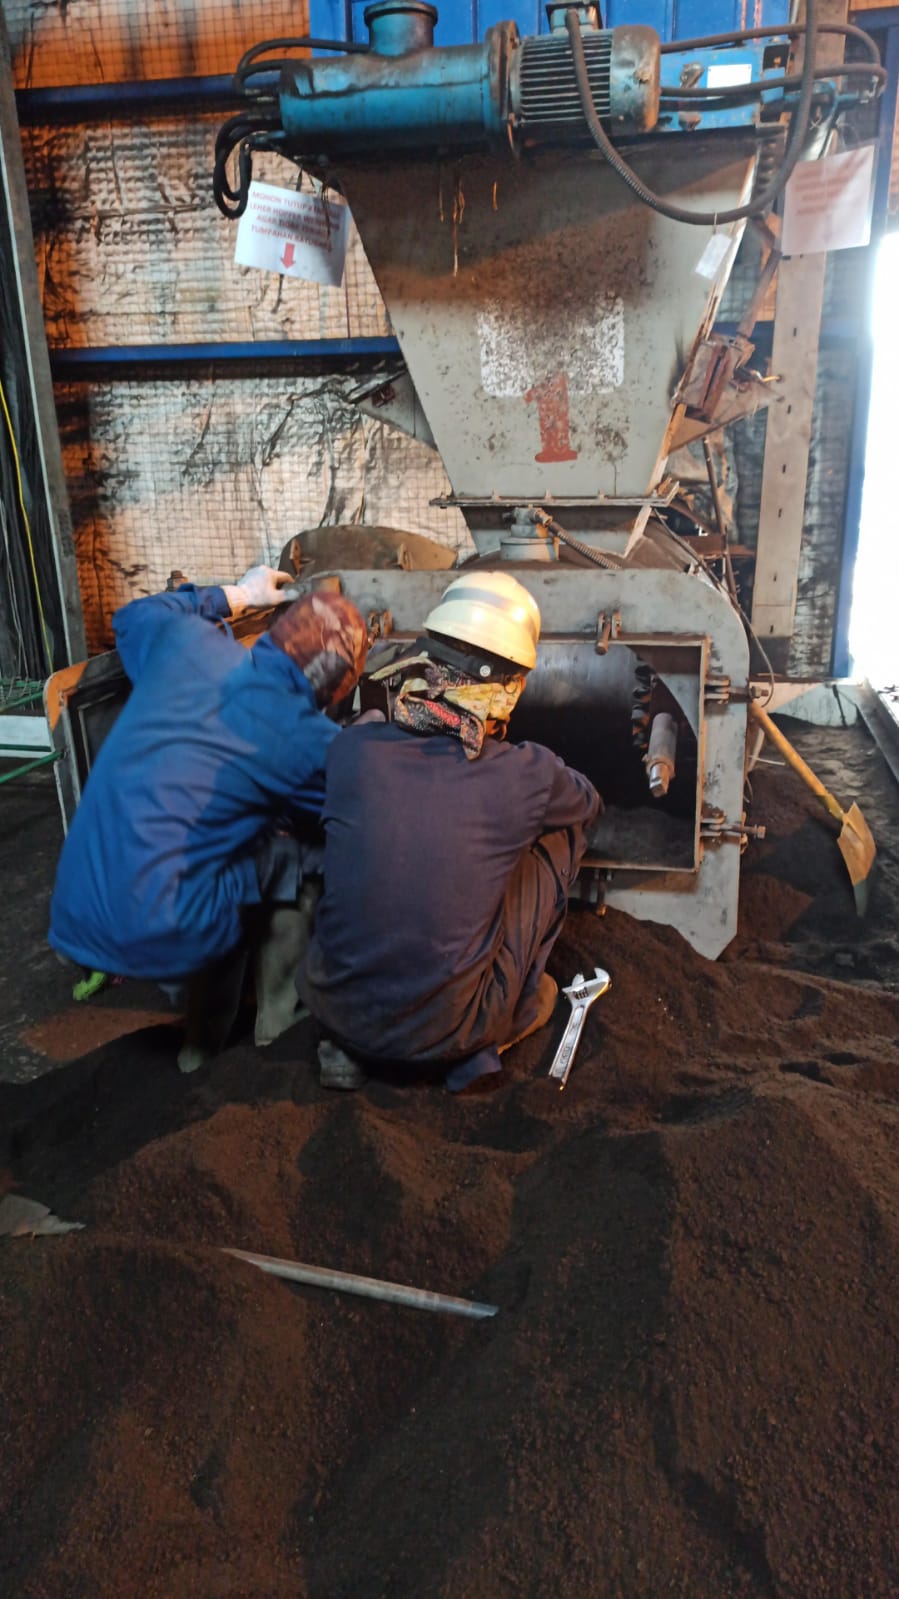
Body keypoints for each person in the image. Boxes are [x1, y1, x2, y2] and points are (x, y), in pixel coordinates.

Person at [49, 566, 370, 1068]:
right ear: (337, 684)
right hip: (164, 937)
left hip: (74, 909)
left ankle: (202, 1044)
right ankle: (274, 1033)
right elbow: (351, 817)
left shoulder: (186, 644)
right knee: (303, 857)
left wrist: (241, 593)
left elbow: (132, 616)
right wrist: (369, 741)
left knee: (232, 840)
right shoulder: (305, 740)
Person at [299, 571, 601, 1092]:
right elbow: (588, 802)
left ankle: (345, 1049)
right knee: (562, 834)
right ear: (507, 686)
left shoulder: (351, 751)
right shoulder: (525, 773)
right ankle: (504, 1021)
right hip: (454, 1034)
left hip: (340, 1015)